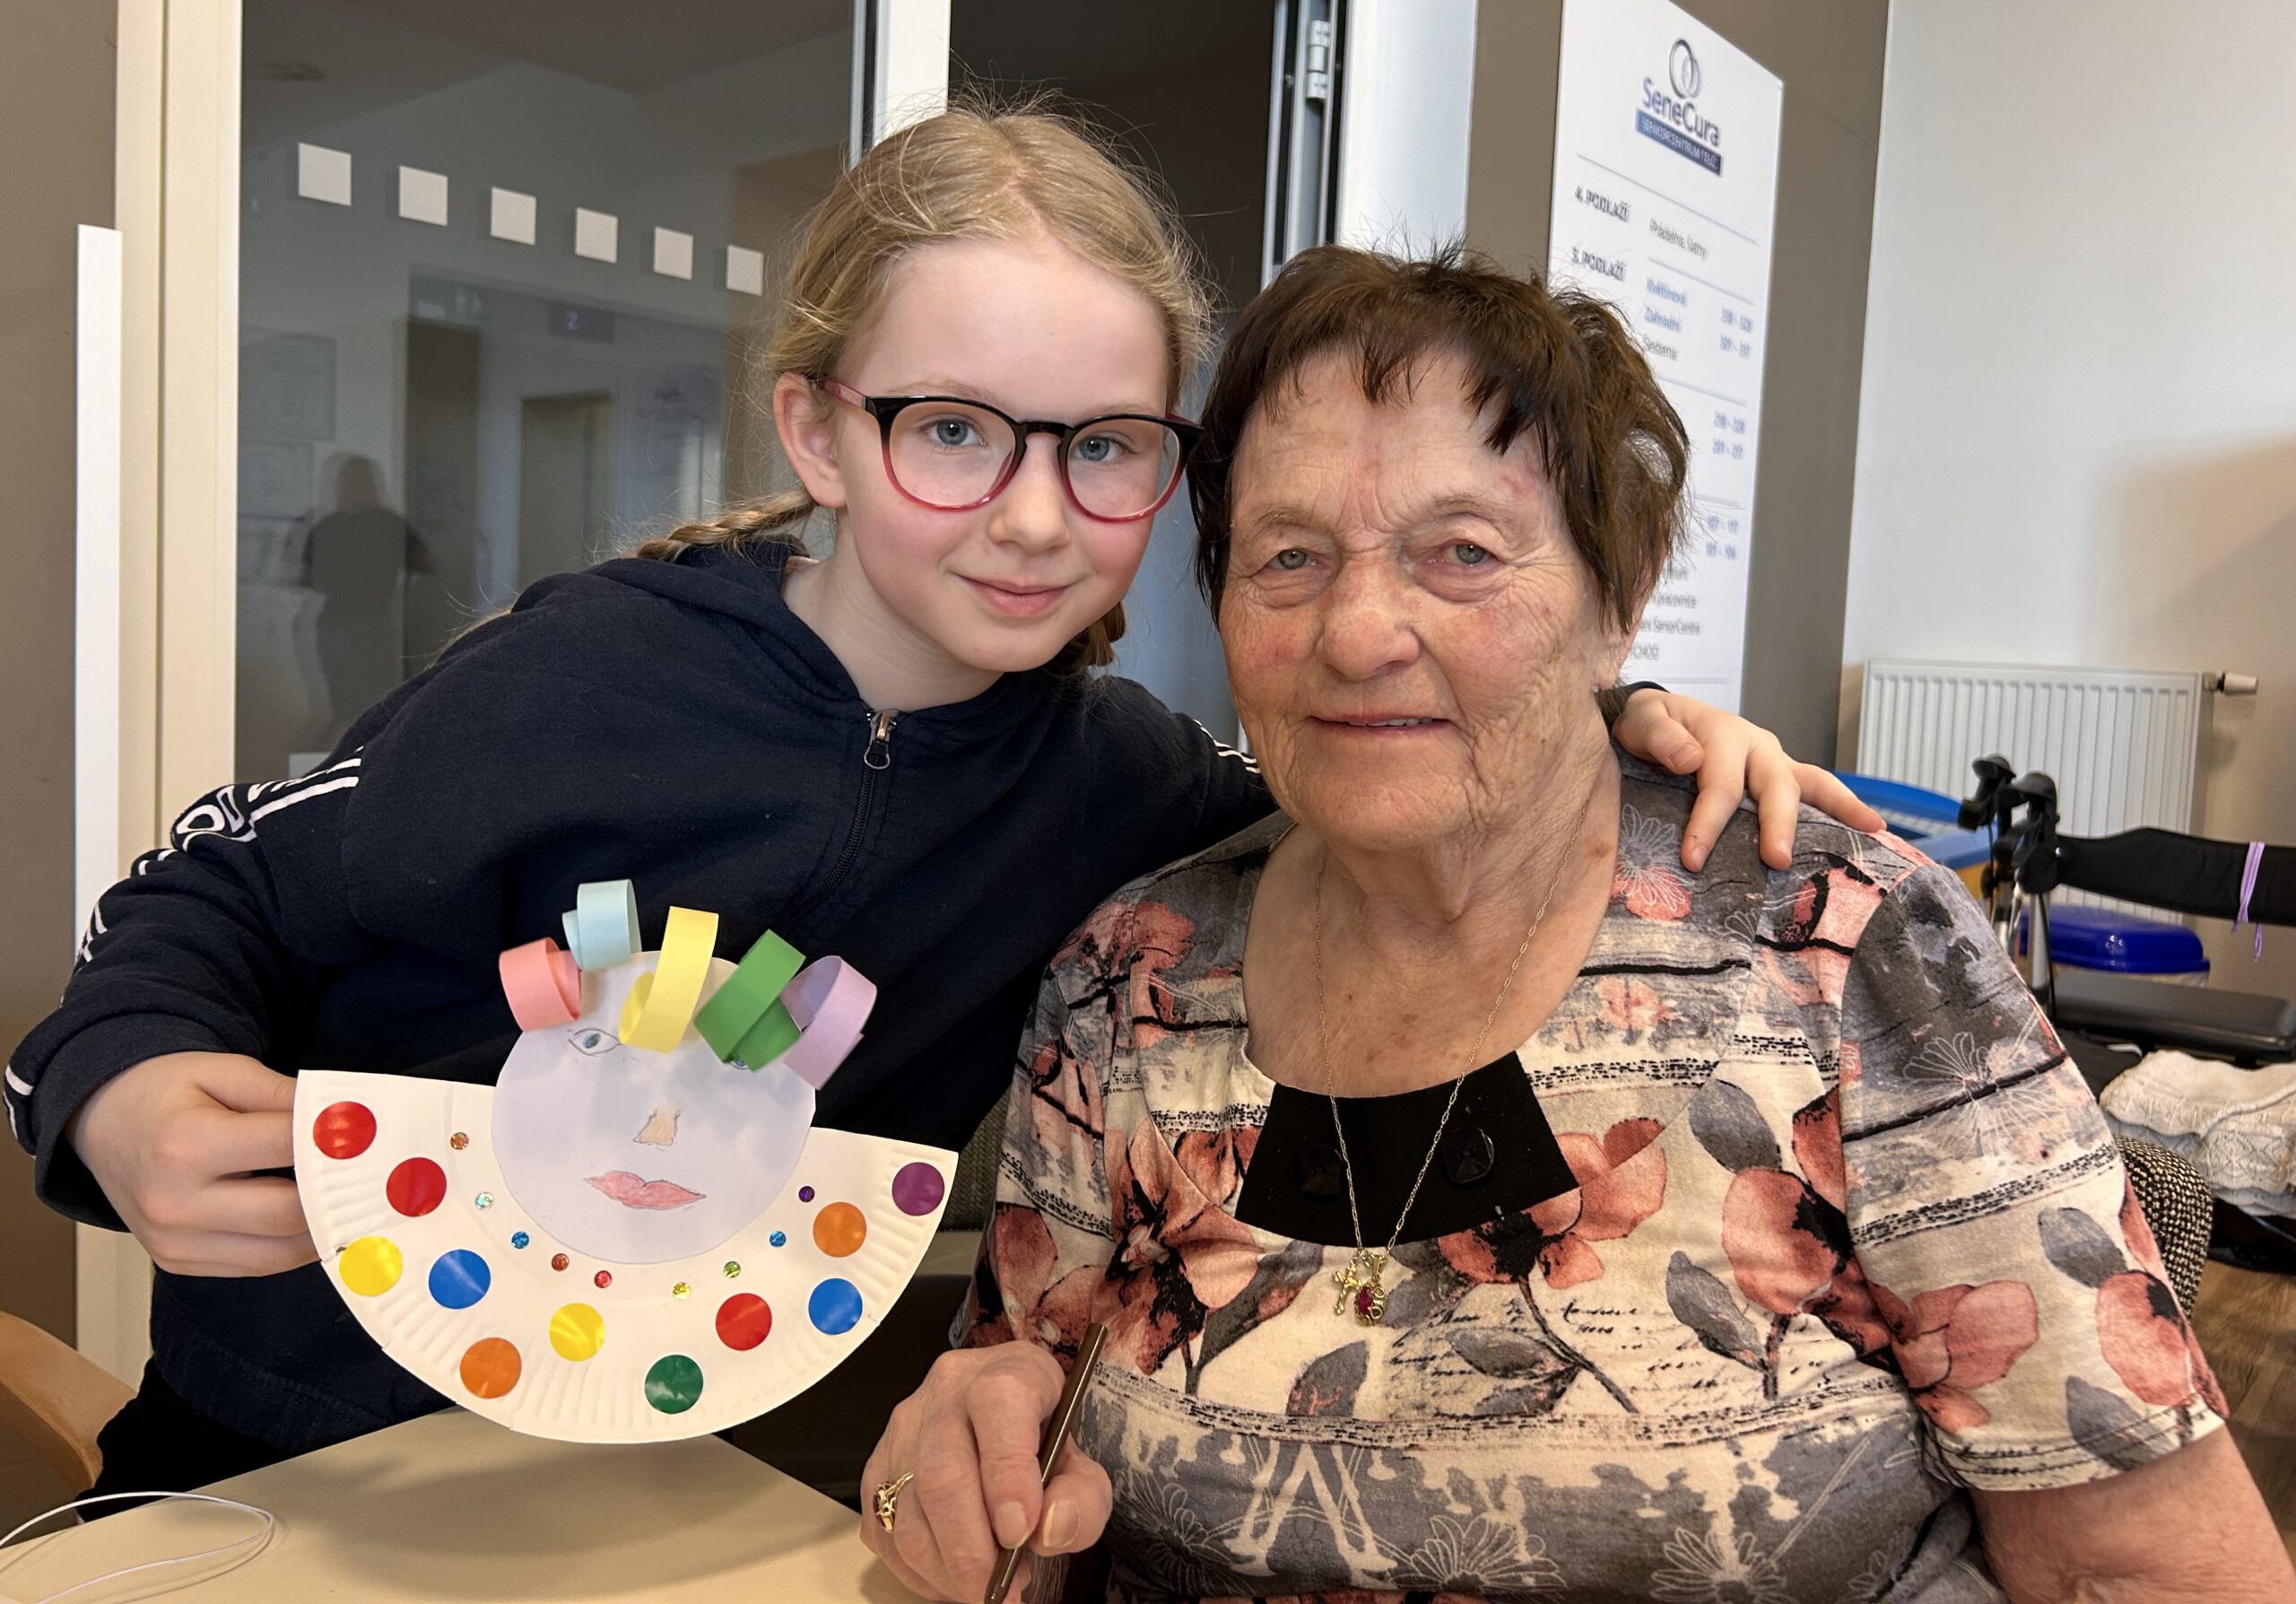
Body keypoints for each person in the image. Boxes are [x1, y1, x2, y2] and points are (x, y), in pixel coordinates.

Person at [8, 109, 1872, 1508]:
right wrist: (122, 1088)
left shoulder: (1127, 788)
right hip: (287, 1459)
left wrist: (1607, 721)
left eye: (1107, 448)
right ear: (817, 431)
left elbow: (1371, 786)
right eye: (953, 431)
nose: (1038, 516)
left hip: (685, 1497)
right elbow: (208, 890)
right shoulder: (568, 676)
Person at [864, 245, 2293, 1603]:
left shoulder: (1846, 950)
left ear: (1620, 595)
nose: (1356, 634)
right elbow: (1020, 1482)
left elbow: (2140, 1572)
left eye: (1462, 552)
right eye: (1289, 557)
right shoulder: (1127, 981)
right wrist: (956, 1481)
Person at [296, 453, 434, 743]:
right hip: (364, 623)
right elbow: (426, 563)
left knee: (349, 706)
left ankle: (339, 757)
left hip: (344, 624)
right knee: (367, 706)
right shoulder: (387, 524)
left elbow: (305, 579)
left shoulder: (330, 526)